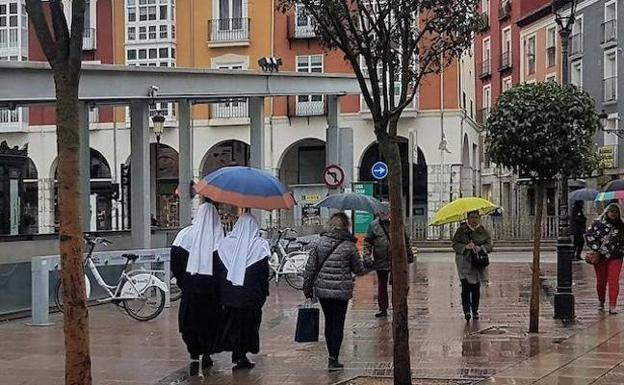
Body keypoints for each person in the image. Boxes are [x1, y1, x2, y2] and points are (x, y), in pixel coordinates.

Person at [303, 213, 365, 371]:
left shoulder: (319, 242)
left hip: (323, 291)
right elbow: (358, 270)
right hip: (341, 291)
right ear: (346, 226)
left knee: (329, 322)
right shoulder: (349, 246)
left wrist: (307, 287)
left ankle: (331, 355)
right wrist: (369, 263)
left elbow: (310, 268)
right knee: (338, 323)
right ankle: (333, 359)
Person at [170, 202, 224, 374]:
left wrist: (184, 282)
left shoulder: (184, 235)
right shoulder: (219, 236)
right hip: (211, 291)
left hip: (190, 289)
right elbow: (223, 265)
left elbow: (176, 263)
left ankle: (194, 352)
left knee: (190, 321)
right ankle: (207, 352)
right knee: (210, 322)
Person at [216, 213, 271, 370]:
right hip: (251, 296)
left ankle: (236, 353)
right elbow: (263, 274)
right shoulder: (259, 246)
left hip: (230, 295)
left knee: (233, 324)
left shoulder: (225, 244)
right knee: (249, 325)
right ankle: (242, 354)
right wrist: (264, 292)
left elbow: (220, 271)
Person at [362, 203, 414, 318]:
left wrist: (409, 255)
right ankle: (383, 308)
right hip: (380, 260)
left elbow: (406, 240)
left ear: (391, 212)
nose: (384, 213)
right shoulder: (373, 225)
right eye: (381, 210)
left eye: (386, 210)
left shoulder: (397, 223)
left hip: (396, 261)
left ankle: (397, 307)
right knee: (382, 286)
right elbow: (367, 242)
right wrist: (366, 256)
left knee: (397, 285)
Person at [452, 210, 493, 322]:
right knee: (465, 287)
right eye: (472, 217)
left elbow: (490, 245)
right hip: (464, 263)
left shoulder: (483, 231)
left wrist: (481, 248)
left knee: (475, 288)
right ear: (468, 218)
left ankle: (475, 311)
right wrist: (466, 247)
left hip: (478, 263)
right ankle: (466, 311)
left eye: (476, 217)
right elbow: (455, 244)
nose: (474, 220)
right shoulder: (461, 231)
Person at [585, 203, 624, 314]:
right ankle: (601, 300)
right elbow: (589, 235)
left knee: (613, 280)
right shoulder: (597, 224)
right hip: (600, 257)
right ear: (607, 212)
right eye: (611, 211)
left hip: (616, 256)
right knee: (601, 281)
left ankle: (612, 305)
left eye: (616, 212)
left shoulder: (621, 226)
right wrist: (596, 247)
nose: (613, 214)